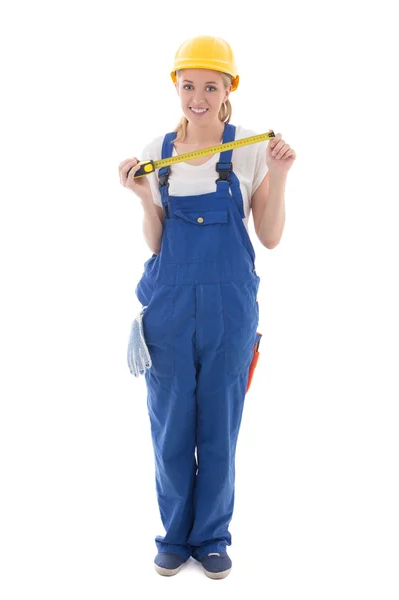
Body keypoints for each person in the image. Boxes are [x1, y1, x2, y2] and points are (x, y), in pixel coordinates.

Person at [119, 35, 296, 579]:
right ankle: (173, 537)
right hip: (169, 310)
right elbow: (156, 241)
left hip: (229, 311)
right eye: (188, 85)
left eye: (210, 86)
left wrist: (281, 174)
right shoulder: (158, 150)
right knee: (171, 426)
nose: (198, 96)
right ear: (177, 87)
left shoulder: (248, 148)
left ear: (228, 90)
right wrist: (143, 197)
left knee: (220, 426)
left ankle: (213, 537)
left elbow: (267, 237)